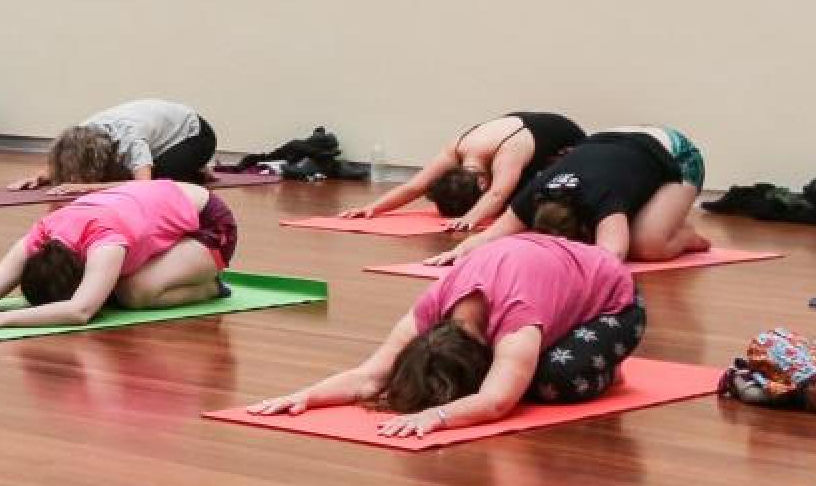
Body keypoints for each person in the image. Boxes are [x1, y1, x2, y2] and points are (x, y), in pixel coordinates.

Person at [247, 232, 643, 436]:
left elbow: (496, 401)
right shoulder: (432, 308)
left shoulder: (517, 320)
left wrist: (437, 416)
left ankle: (611, 366)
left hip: (615, 304)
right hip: (549, 275)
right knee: (530, 372)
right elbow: (371, 375)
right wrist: (306, 396)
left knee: (549, 382)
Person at [0, 178, 236, 329]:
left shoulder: (106, 242)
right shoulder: (40, 236)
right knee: (115, 290)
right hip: (155, 207)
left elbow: (80, 311)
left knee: (133, 294)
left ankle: (211, 286)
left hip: (208, 225)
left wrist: (2, 319)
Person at [422, 125, 709, 267]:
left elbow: (613, 255)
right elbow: (491, 235)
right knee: (625, 221)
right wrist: (459, 252)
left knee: (646, 246)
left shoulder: (601, 197)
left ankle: (685, 235)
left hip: (674, 153)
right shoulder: (532, 195)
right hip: (610, 143)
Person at [338, 111, 586, 230]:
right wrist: (373, 207)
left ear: (481, 183)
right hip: (526, 139)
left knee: (514, 203)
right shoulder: (456, 150)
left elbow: (497, 194)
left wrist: (470, 219)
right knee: (505, 201)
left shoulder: (508, 152)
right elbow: (415, 186)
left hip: (569, 144)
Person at [11, 98, 218, 194]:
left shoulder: (130, 138)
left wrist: (88, 187)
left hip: (196, 136)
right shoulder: (83, 131)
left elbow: (144, 186)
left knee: (152, 179)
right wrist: (39, 177)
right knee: (123, 171)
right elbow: (68, 156)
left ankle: (195, 167)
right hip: (163, 131)